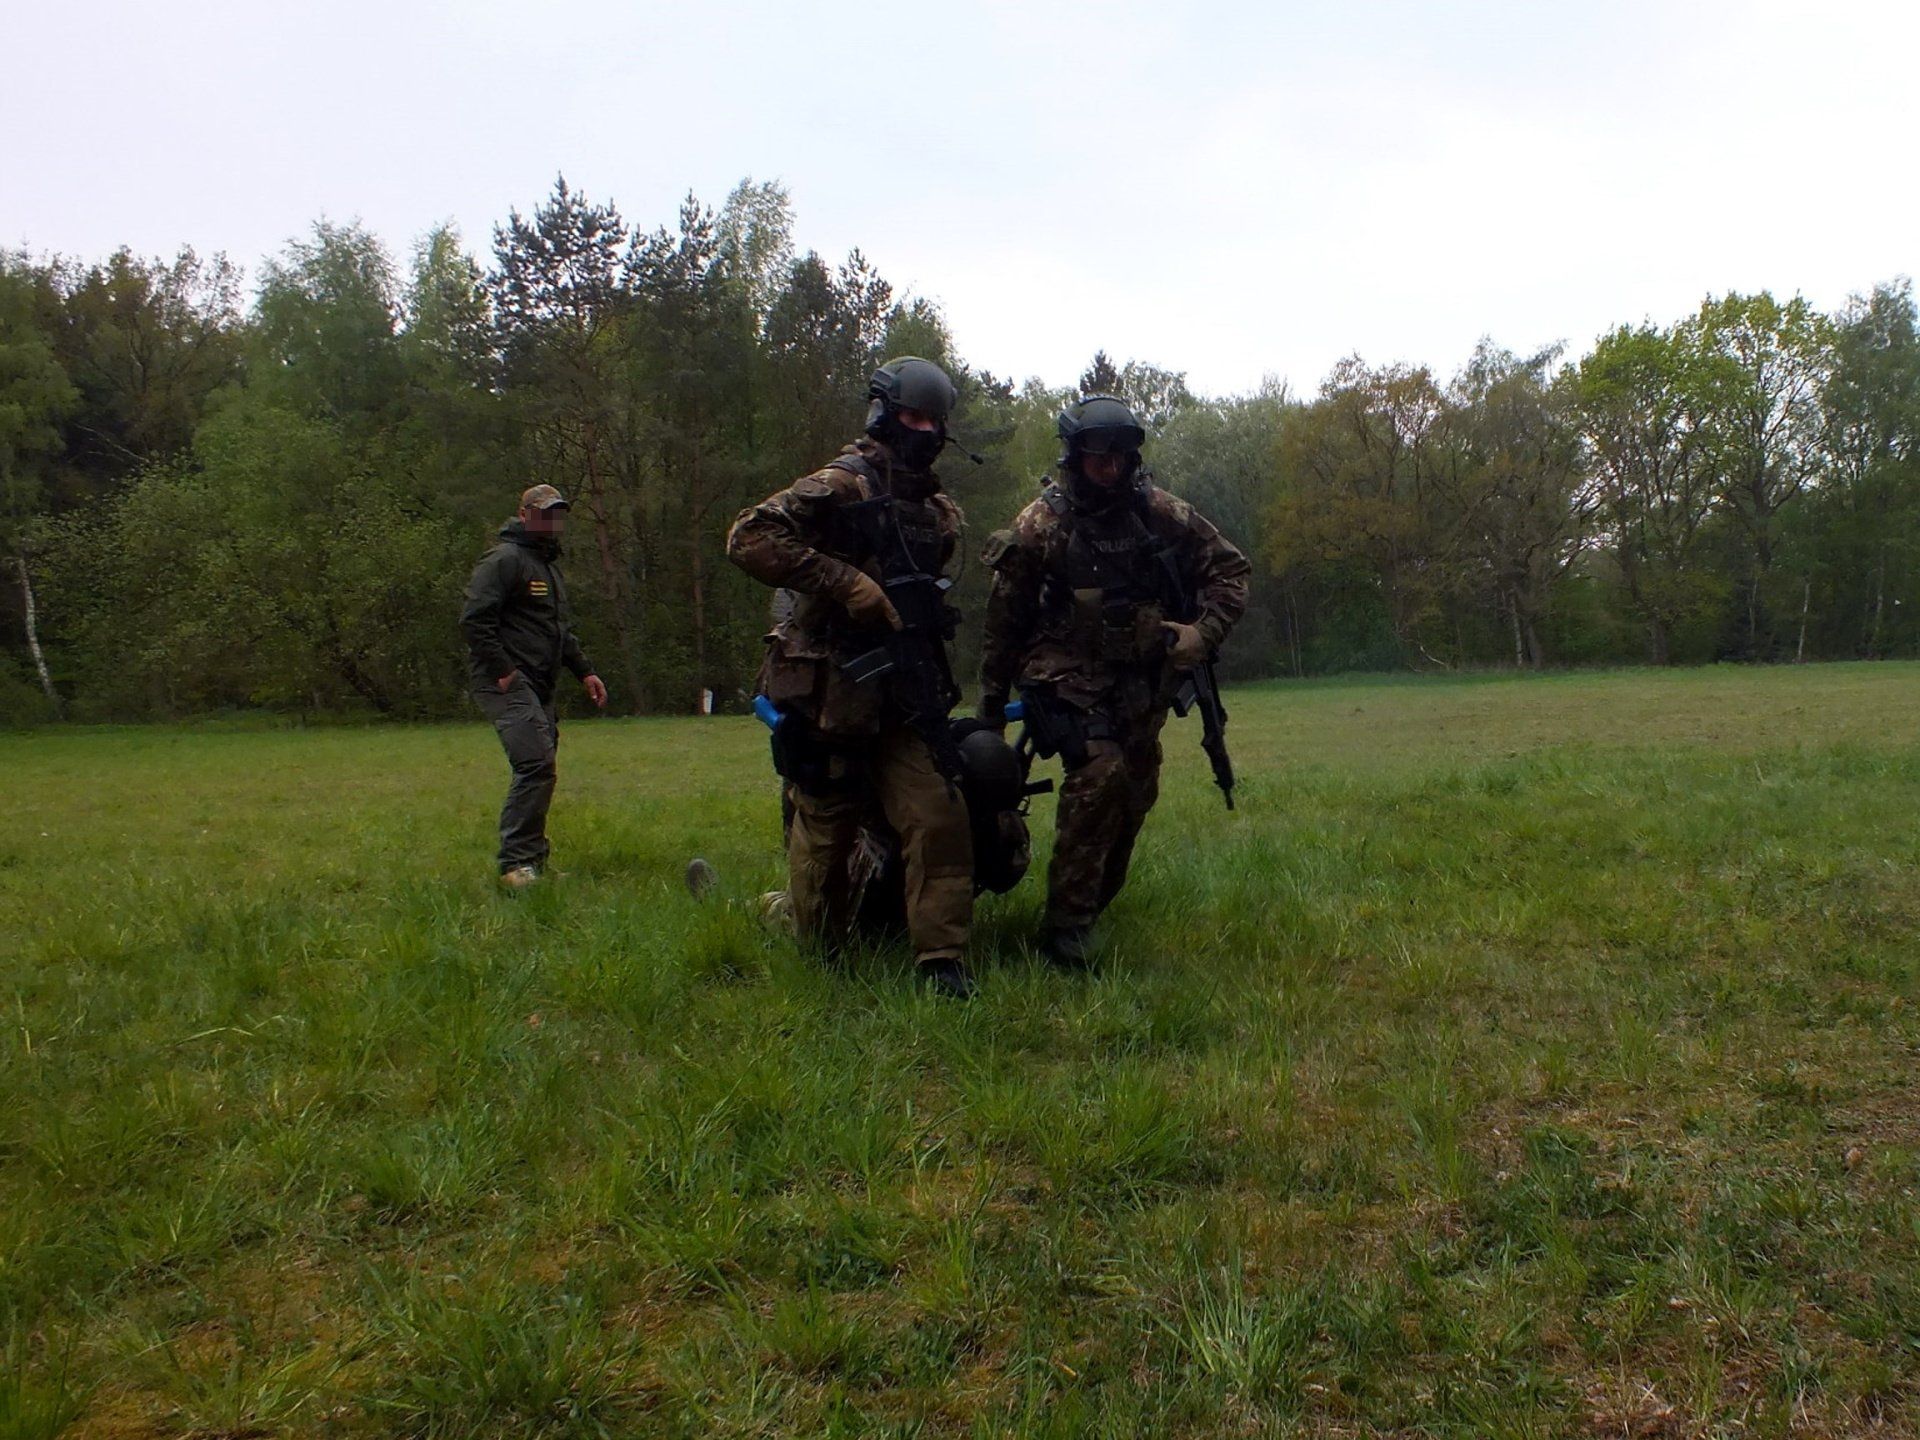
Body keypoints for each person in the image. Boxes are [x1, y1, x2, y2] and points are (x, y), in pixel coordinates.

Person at [726, 357, 979, 998]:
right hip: (832, 691)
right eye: (911, 416)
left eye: (933, 419)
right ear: (883, 414)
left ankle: (941, 960)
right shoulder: (843, 483)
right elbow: (748, 537)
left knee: (939, 812)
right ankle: (801, 928)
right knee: (825, 834)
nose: (923, 430)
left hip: (905, 690)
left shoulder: (938, 509)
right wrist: (847, 583)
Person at [977, 394, 1249, 967]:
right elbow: (1005, 621)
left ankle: (1091, 903)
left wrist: (1204, 632)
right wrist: (991, 708)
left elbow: (1230, 571)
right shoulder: (1042, 525)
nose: (1111, 466)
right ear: (1074, 456)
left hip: (1139, 677)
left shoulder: (1161, 512)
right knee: (1101, 774)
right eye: (1099, 455)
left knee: (1137, 788)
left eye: (1121, 455)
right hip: (1064, 674)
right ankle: (1066, 931)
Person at [460, 483, 607, 886]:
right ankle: (515, 866)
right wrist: (503, 668)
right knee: (536, 764)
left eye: (557, 513)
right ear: (524, 515)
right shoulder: (504, 560)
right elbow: (475, 619)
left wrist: (585, 671)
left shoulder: (547, 567)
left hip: (541, 683)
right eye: (544, 513)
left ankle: (533, 862)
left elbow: (559, 631)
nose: (551, 520)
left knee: (542, 765)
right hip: (506, 682)